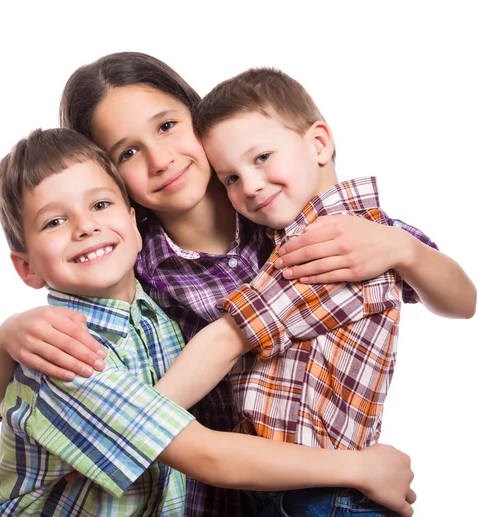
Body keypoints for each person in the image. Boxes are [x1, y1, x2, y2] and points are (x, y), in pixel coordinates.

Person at [0, 52, 476, 517]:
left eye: (169, 127)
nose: (161, 159)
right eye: (129, 151)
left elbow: (462, 300)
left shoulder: (283, 209)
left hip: (313, 473)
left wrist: (402, 249)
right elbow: (5, 405)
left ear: (199, 118)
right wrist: (7, 339)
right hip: (205, 492)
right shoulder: (131, 261)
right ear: (113, 177)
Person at [153, 66, 473, 516]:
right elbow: (465, 302)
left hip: (321, 498)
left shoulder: (317, 246)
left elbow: (225, 341)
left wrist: (132, 423)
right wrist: (405, 251)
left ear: (319, 143)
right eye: (230, 178)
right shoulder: (362, 230)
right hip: (313, 488)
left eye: (261, 157)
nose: (251, 185)